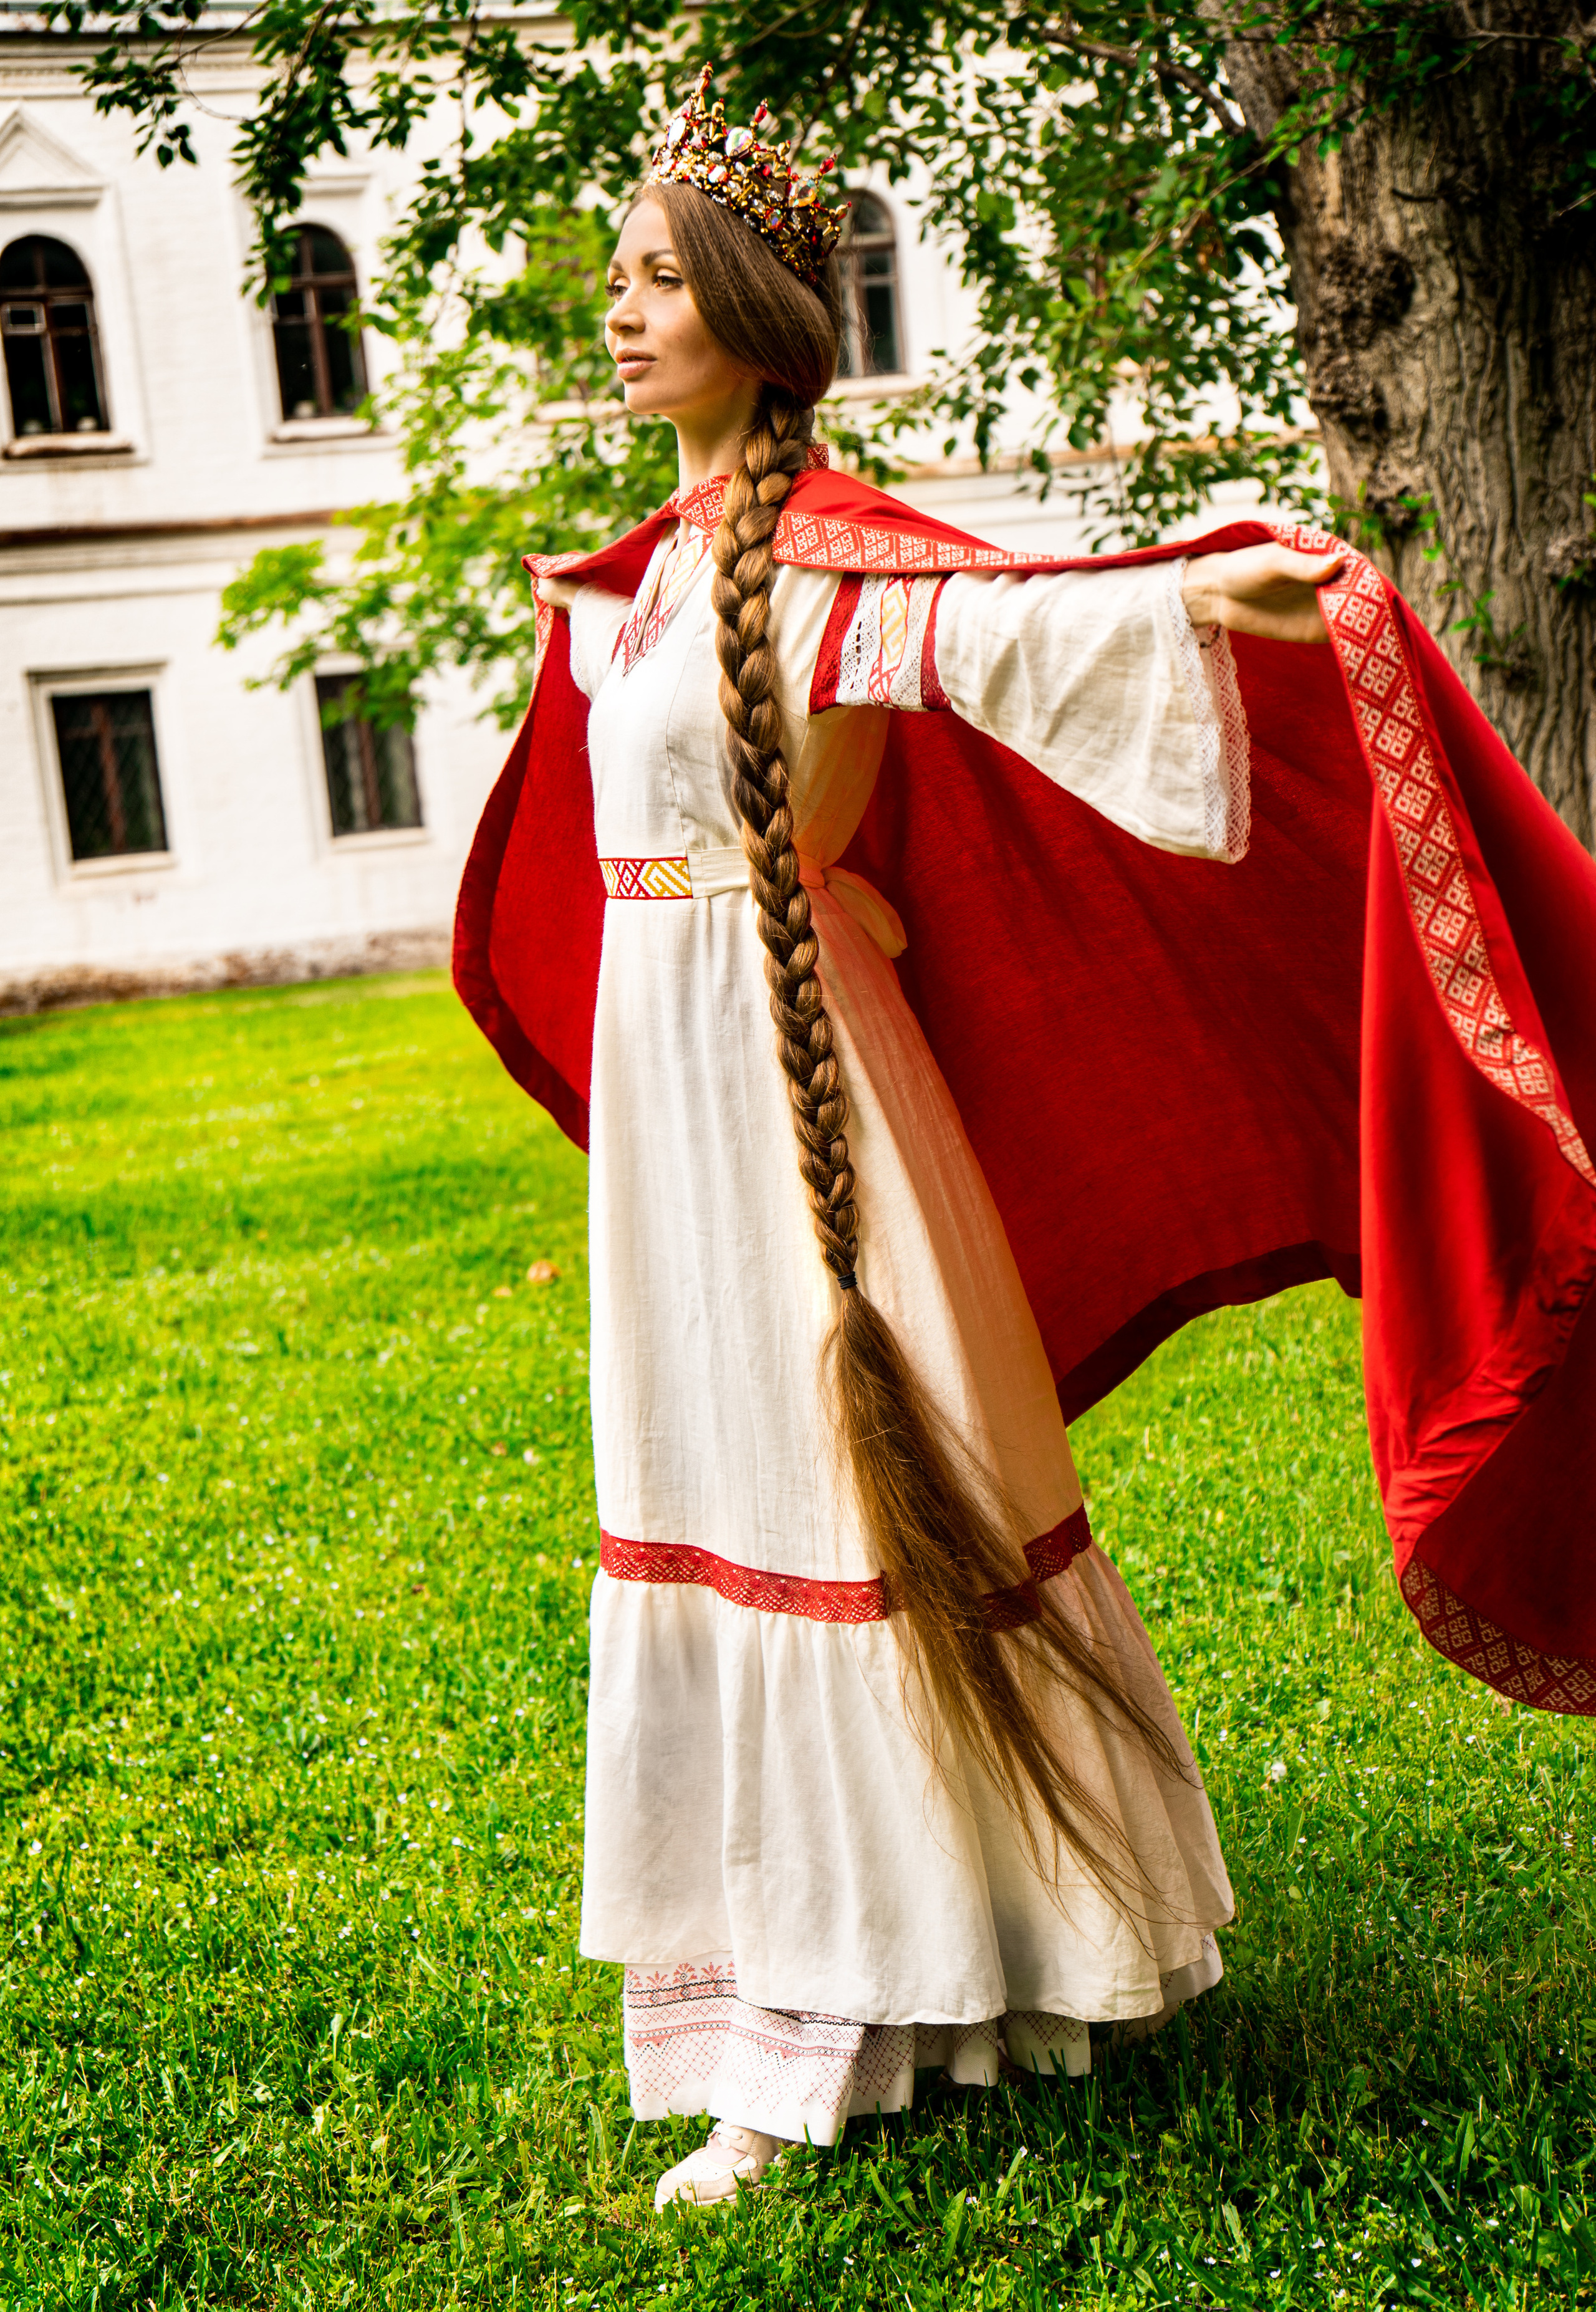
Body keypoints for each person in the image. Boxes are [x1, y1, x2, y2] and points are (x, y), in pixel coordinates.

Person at [455, 69, 1596, 2213]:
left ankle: (851, 2022)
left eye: (657, 281)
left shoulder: (832, 566)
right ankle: (833, 1979)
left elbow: (1033, 626)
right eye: (616, 278)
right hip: (681, 1094)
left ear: (750, 317)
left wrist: (1257, 595)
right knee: (714, 1487)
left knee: (851, 1498)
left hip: (803, 1079)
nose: (617, 313)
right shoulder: (651, 576)